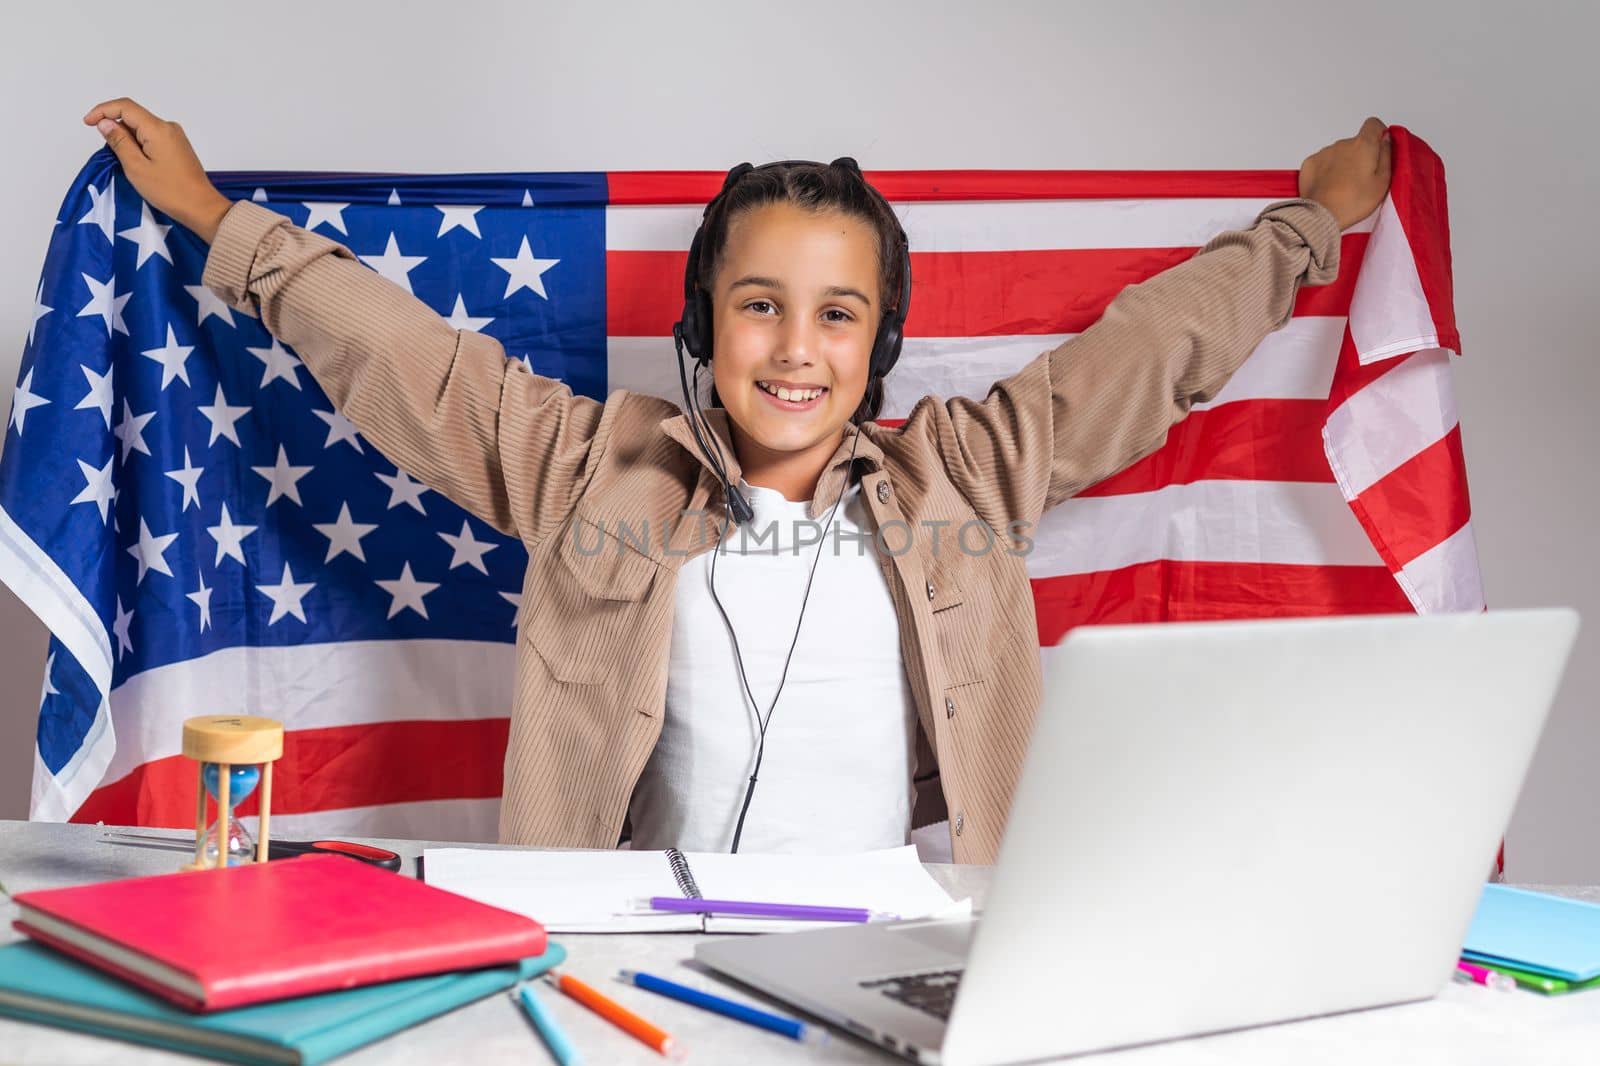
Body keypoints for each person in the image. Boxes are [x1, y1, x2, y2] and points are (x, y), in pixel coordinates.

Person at [82, 98, 1392, 861]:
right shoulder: (598, 469)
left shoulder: (967, 476)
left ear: (878, 343)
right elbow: (411, 365)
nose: (796, 348)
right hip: (636, 940)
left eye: (836, 315)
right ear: (705, 324)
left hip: (890, 935)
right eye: (760, 306)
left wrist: (1310, 226)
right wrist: (212, 218)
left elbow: (1151, 354)